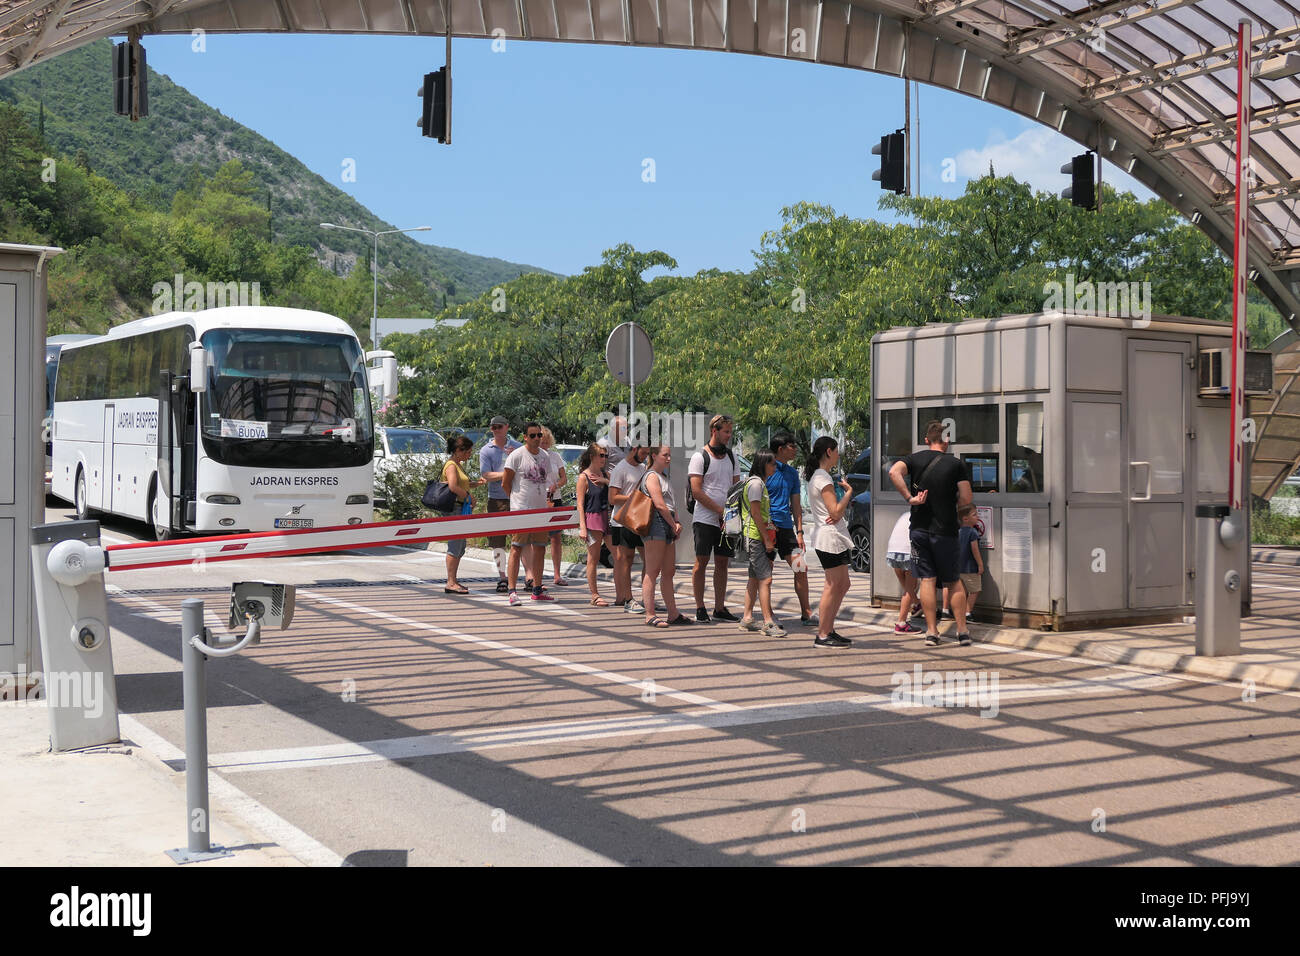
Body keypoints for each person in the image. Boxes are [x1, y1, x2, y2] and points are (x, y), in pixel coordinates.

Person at [888, 420, 974, 647]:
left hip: (918, 529)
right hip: (945, 530)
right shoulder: (956, 465)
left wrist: (910, 498)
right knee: (953, 581)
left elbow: (894, 472)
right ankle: (962, 631)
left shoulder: (914, 460)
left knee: (927, 579)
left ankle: (932, 632)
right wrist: (953, 508)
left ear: (926, 440)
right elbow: (966, 498)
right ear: (947, 440)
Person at [688, 414, 742, 623]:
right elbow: (697, 491)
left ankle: (719, 607)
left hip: (727, 519)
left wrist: (732, 512)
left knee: (722, 562)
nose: (729, 436)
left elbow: (736, 487)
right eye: (726, 432)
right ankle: (700, 607)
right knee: (701, 562)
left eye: (730, 432)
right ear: (714, 431)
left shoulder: (732, 457)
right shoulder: (699, 457)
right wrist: (720, 510)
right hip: (704, 518)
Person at [805, 437, 854, 648]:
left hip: (832, 536)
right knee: (833, 585)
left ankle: (829, 629)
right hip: (829, 538)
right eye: (836, 451)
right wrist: (849, 494)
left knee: (843, 584)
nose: (838, 454)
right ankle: (823, 634)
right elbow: (834, 511)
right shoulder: (822, 477)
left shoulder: (820, 476)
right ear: (828, 452)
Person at [502, 423, 555, 605]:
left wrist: (547, 500)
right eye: (532, 435)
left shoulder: (545, 456)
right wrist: (516, 501)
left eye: (538, 435)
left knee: (540, 548)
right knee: (516, 548)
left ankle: (537, 589)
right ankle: (512, 590)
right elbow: (505, 483)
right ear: (525, 437)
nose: (536, 439)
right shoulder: (516, 456)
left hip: (540, 510)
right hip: (521, 511)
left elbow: (547, 481)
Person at [641, 444, 691, 628]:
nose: (668, 458)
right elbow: (660, 505)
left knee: (669, 571)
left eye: (670, 455)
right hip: (656, 523)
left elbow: (671, 504)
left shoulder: (663, 477)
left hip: (667, 523)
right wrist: (673, 524)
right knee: (652, 571)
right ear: (654, 456)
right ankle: (650, 614)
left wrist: (676, 523)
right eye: (665, 455)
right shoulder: (651, 476)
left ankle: (673, 613)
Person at [767, 433, 815, 627]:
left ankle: (806, 612)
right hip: (767, 528)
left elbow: (796, 504)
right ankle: (767, 613)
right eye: (791, 446)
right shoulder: (765, 468)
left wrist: (800, 531)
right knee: (765, 574)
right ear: (781, 449)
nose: (795, 449)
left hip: (786, 529)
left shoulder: (792, 473)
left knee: (800, 567)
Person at [738, 450, 786, 638]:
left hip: (756, 535)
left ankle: (747, 618)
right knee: (766, 579)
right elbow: (756, 514)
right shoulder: (756, 484)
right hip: (756, 537)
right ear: (763, 464)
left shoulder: (758, 484)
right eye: (772, 463)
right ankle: (768, 622)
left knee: (755, 578)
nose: (775, 466)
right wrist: (766, 538)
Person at [438, 435, 484, 594]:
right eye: (468, 451)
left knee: (460, 545)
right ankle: (450, 582)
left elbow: (460, 484)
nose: (469, 455)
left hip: (459, 508)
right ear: (458, 450)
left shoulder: (457, 464)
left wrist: (475, 484)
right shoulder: (451, 465)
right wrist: (468, 496)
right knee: (455, 544)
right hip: (454, 509)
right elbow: (452, 486)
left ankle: (453, 580)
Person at [480, 416, 521, 592]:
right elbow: (486, 475)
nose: (496, 430)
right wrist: (506, 474)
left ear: (507, 427)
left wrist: (512, 460)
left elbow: (524, 471)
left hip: (517, 497)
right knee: (498, 541)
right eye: (493, 427)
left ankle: (527, 577)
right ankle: (502, 577)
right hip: (496, 498)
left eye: (499, 427)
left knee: (520, 539)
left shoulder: (518, 447)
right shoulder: (486, 450)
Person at [608, 442, 648, 614]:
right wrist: (633, 498)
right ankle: (628, 598)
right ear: (634, 449)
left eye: (647, 454)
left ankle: (647, 597)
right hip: (622, 521)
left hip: (640, 519)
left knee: (650, 559)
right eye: (643, 453)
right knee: (626, 559)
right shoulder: (620, 469)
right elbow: (612, 498)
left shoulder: (644, 468)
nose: (645, 457)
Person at [575, 443, 612, 606]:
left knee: (619, 556)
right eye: (601, 455)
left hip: (608, 518)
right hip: (593, 519)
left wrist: (605, 480)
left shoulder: (606, 474)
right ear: (592, 457)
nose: (603, 459)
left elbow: (616, 492)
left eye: (605, 455)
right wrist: (582, 527)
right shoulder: (583, 477)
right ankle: (594, 594)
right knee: (593, 557)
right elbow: (580, 504)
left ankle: (624, 595)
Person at [538, 426, 570, 588]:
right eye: (540, 442)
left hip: (554, 498)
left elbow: (564, 478)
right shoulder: (531, 456)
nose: (543, 446)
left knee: (556, 537)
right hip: (537, 500)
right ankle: (536, 576)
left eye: (546, 443)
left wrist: (556, 485)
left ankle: (557, 574)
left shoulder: (555, 456)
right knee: (537, 539)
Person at [885, 511, 922, 634]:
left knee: (907, 585)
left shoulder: (905, 514)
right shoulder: (923, 516)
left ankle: (917, 604)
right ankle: (901, 623)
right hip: (908, 551)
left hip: (893, 550)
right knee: (910, 587)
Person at [957, 504, 984, 630]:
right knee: (975, 590)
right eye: (974, 515)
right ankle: (968, 613)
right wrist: (980, 564)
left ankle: (961, 613)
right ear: (965, 519)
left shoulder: (958, 532)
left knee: (962, 592)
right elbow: (975, 549)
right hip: (971, 568)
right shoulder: (972, 532)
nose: (977, 517)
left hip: (959, 568)